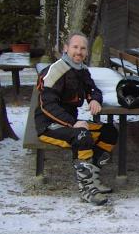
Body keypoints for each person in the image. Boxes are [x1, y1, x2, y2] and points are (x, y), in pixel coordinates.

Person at [35, 31, 118, 205]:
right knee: (82, 136)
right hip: (49, 125)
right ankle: (87, 189)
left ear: (86, 52)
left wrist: (94, 99)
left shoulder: (81, 70)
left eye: (82, 48)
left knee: (109, 132)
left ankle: (94, 179)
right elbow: (47, 105)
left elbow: (93, 89)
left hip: (70, 123)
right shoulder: (55, 71)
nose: (78, 51)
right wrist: (73, 123)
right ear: (66, 48)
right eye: (75, 47)